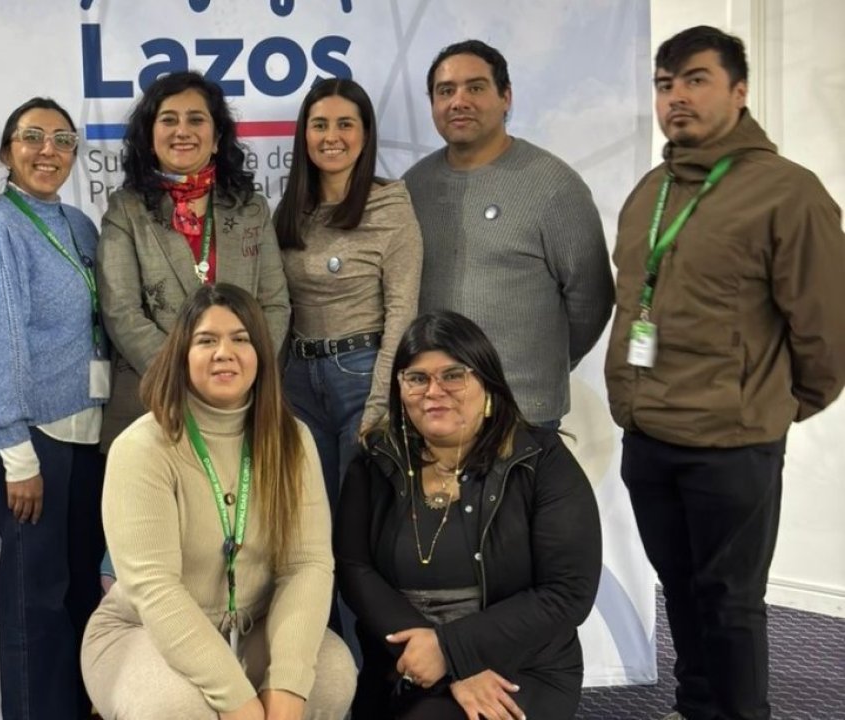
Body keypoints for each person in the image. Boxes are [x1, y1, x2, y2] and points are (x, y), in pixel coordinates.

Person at [605, 26, 845, 720]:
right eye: (665, 84)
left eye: (696, 79)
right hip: (649, 434)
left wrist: (769, 406)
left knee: (731, 604)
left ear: (739, 92)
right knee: (679, 592)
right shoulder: (651, 191)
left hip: (733, 446)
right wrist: (630, 401)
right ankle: (695, 708)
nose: (676, 97)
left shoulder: (787, 193)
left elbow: (827, 332)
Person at [82, 283, 355, 720]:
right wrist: (237, 701)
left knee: (332, 675)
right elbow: (155, 590)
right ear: (182, 355)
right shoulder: (140, 448)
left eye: (240, 339)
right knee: (178, 709)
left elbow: (307, 565)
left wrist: (287, 683)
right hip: (143, 630)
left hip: (252, 628)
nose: (224, 353)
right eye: (206, 340)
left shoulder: (293, 439)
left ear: (261, 354)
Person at [335, 311, 601, 720]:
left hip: (521, 664)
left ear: (487, 382)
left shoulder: (541, 460)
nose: (433, 391)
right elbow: (355, 569)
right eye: (416, 378)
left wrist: (451, 650)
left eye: (453, 376)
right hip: (404, 661)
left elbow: (568, 592)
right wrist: (435, 656)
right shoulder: (375, 460)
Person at [0, 97, 106, 720]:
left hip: (89, 435)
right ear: (6, 151)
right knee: (33, 600)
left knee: (85, 593)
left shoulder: (80, 226)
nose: (49, 150)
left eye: (63, 139)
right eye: (33, 137)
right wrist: (16, 453)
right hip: (33, 441)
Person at [402, 39, 613, 428]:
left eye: (475, 87)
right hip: (435, 414)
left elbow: (592, 301)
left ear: (506, 97)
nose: (459, 101)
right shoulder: (413, 186)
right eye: (445, 91)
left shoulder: (554, 185)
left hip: (523, 413)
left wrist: (545, 364)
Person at [97, 70, 290, 451]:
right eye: (168, 120)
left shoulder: (251, 209)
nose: (182, 131)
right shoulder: (126, 210)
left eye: (196, 119)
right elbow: (121, 312)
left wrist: (238, 372)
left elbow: (275, 305)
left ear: (216, 139)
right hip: (154, 401)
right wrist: (189, 374)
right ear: (150, 137)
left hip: (243, 404)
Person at [275, 76, 422, 508]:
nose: (331, 137)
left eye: (345, 124)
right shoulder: (291, 210)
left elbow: (402, 311)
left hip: (362, 376)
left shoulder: (390, 207)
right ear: (304, 134)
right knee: (309, 517)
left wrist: (381, 401)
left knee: (358, 516)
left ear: (366, 134)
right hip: (298, 381)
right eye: (319, 125)